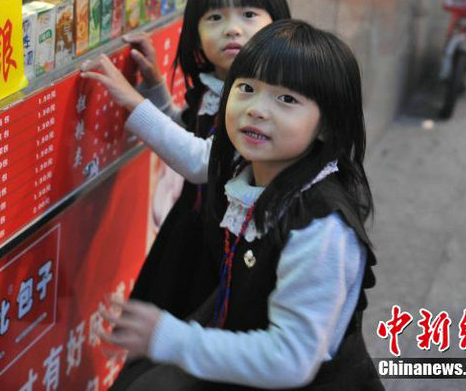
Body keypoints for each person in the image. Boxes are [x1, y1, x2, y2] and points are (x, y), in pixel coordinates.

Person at [102, 20, 382, 390]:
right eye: (247, 89)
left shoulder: (320, 226)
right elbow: (197, 158)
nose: (256, 110)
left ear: (327, 126)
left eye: (287, 100)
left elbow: (290, 359)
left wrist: (173, 338)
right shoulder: (248, 167)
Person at [81, 0, 290, 320]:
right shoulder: (216, 84)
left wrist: (133, 102)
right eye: (215, 18)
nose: (232, 29)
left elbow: (205, 162)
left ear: (278, 22)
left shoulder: (263, 99)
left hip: (230, 242)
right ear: (194, 32)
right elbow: (193, 131)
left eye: (249, 14)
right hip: (197, 227)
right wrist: (153, 86)